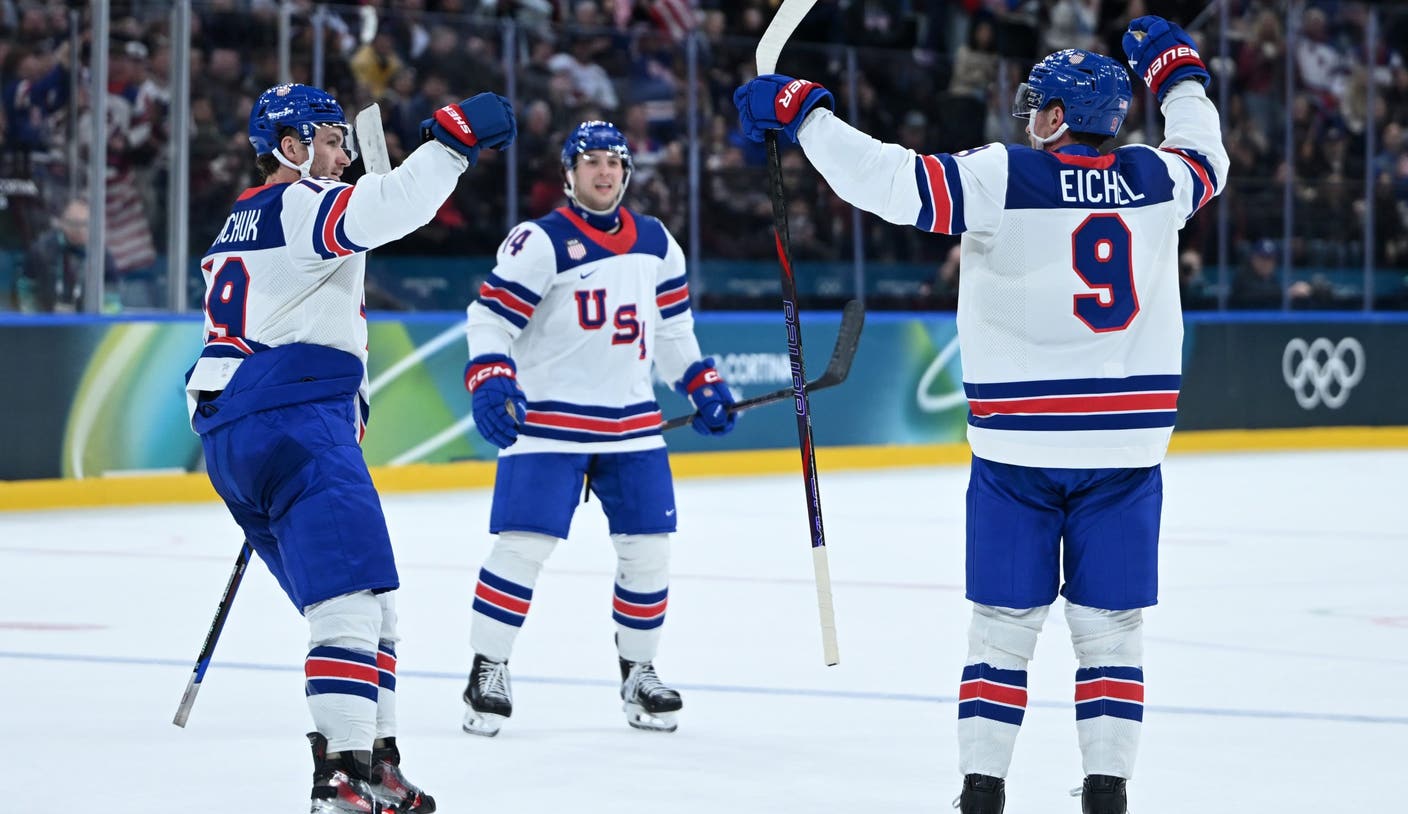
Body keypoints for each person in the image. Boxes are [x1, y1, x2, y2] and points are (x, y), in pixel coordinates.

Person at [735, 15, 1227, 814]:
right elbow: (1207, 151)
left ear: (1058, 117)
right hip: (1127, 453)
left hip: (1017, 453)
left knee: (1001, 629)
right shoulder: (1158, 179)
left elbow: (888, 182)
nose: (1028, 118)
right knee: (1112, 633)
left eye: (1038, 107)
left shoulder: (1005, 175)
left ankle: (982, 790)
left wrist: (804, 114)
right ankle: (1107, 791)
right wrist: (1178, 72)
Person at [183, 82, 515, 813]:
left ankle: (379, 762)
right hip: (294, 422)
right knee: (348, 603)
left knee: (370, 603)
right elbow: (393, 206)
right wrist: (452, 143)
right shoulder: (302, 203)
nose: (343, 156)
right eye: (331, 142)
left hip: (243, 430)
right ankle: (340, 773)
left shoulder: (239, 221)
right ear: (291, 147)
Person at [459, 120, 736, 737]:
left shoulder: (657, 242)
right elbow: (489, 318)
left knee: (649, 553)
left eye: (614, 161)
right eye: (591, 161)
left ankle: (639, 672)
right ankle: (488, 668)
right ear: (569, 173)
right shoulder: (539, 241)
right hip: (548, 425)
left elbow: (671, 330)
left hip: (632, 427)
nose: (604, 171)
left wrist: (700, 381)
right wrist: (490, 375)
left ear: (627, 172)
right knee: (522, 548)